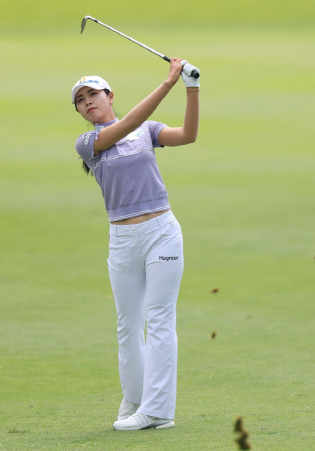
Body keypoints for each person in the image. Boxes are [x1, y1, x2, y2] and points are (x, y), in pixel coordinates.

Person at [72, 58, 200, 430]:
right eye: (80, 99)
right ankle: (135, 398)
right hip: (123, 239)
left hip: (161, 232)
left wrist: (191, 87)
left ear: (110, 96)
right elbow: (127, 124)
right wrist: (168, 83)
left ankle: (158, 410)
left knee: (159, 318)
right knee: (128, 324)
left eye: (93, 94)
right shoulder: (88, 143)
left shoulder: (149, 130)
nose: (88, 101)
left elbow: (188, 135)